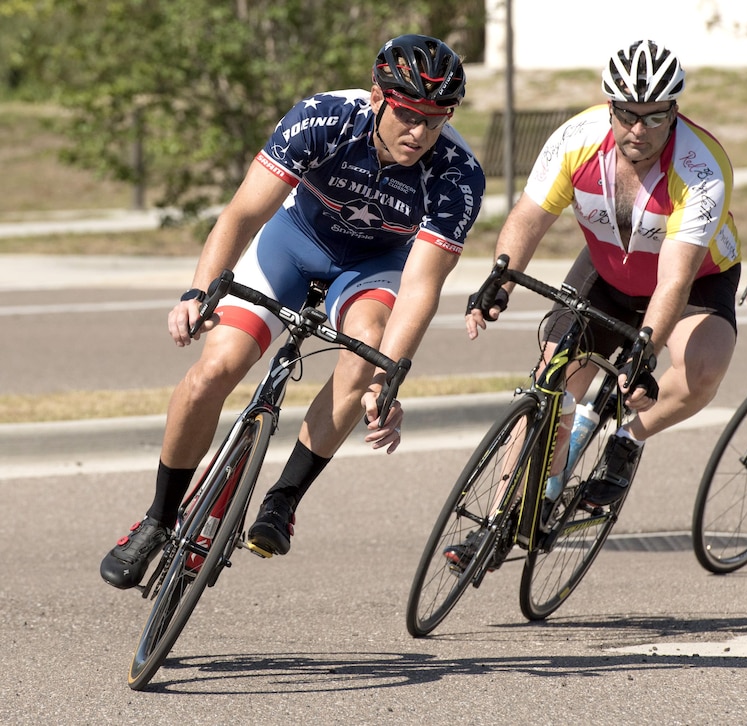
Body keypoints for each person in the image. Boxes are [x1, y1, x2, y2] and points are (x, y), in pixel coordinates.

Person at [100, 34, 486, 588]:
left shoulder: (457, 173)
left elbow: (422, 286)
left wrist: (388, 376)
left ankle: (283, 499)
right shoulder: (323, 118)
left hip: (372, 266)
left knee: (368, 346)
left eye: (436, 118)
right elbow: (240, 215)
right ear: (378, 96)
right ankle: (158, 519)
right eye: (408, 114)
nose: (420, 133)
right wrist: (198, 292)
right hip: (293, 242)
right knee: (215, 369)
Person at [462, 39, 742, 527]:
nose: (639, 129)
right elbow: (528, 217)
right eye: (628, 114)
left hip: (696, 279)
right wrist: (500, 279)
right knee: (552, 384)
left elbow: (673, 279)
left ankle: (627, 438)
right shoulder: (578, 138)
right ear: (609, 105)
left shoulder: (701, 167)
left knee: (702, 372)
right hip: (607, 270)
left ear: (674, 110)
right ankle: (505, 516)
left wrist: (644, 351)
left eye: (655, 116)